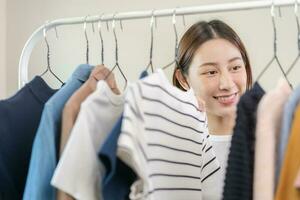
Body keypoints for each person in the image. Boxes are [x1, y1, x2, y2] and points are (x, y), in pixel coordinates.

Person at [172, 19, 253, 200]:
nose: (227, 83)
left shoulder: (275, 135)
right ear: (183, 79)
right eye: (211, 72)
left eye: (235, 67)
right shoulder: (175, 150)